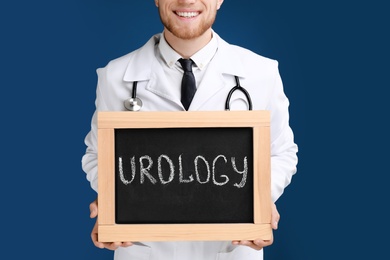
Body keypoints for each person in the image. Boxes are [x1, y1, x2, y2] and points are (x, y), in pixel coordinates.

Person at [81, 0, 298, 259]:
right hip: (145, 251)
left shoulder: (261, 73)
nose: (187, 1)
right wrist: (113, 201)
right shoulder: (115, 77)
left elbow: (281, 153)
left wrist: (260, 199)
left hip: (230, 250)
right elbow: (97, 155)